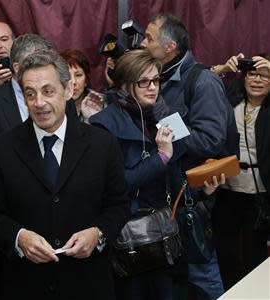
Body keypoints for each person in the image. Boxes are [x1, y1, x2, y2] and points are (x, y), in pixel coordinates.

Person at [0, 49, 131, 300]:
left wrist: (98, 233)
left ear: (68, 90)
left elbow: (119, 205)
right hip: (25, 285)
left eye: (48, 91)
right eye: (30, 94)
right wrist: (19, 237)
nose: (39, 102)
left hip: (88, 284)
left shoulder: (102, 144)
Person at [89, 49, 224, 300]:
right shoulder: (102, 123)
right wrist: (160, 157)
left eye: (156, 80)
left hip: (170, 236)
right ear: (125, 83)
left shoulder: (169, 117)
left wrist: (202, 190)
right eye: (144, 82)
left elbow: (176, 179)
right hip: (130, 238)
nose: (153, 87)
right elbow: (116, 185)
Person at [140, 13, 238, 299]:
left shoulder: (202, 81)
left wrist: (159, 109)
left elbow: (209, 141)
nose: (142, 44)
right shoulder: (155, 78)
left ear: (170, 47)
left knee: (203, 276)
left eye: (149, 38)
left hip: (191, 202)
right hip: (160, 198)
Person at [210, 53, 270, 290]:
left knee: (254, 256)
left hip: (260, 193)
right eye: (252, 74)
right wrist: (224, 68)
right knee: (226, 253)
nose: (256, 80)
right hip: (226, 189)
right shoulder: (230, 100)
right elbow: (198, 83)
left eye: (264, 76)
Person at [60, 49, 105, 120]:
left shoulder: (100, 102)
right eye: (67, 76)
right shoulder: (51, 105)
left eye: (78, 75)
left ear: (86, 80)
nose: (73, 82)